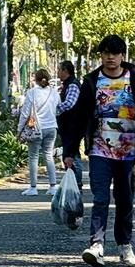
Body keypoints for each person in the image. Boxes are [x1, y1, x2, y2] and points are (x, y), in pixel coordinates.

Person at [65, 35, 135, 267]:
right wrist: (70, 151)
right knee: (100, 198)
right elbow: (79, 117)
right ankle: (97, 245)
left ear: (123, 56)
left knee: (125, 200)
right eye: (106, 53)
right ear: (101, 55)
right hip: (99, 150)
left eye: (115, 53)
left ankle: (125, 245)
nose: (110, 58)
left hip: (129, 153)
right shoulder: (92, 81)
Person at [18, 68, 61, 196]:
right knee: (48, 155)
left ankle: (33, 187)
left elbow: (25, 113)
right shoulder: (54, 93)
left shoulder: (32, 92)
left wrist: (19, 129)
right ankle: (53, 186)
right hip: (52, 127)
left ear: (36, 79)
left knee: (33, 157)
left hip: (36, 129)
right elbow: (58, 109)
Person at [57, 61, 87, 192]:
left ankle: (77, 184)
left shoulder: (73, 85)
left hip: (73, 126)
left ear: (66, 71)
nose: (58, 72)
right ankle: (75, 183)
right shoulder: (67, 84)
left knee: (73, 154)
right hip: (69, 125)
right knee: (70, 154)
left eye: (59, 70)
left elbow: (70, 103)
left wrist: (54, 109)